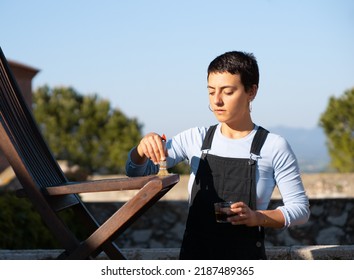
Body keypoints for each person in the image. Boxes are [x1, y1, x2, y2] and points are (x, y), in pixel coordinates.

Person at [125, 51, 310, 260]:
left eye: (227, 91)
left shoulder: (273, 146)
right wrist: (142, 148)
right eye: (211, 91)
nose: (217, 101)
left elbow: (300, 210)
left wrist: (256, 217)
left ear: (252, 91)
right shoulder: (195, 138)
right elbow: (135, 172)